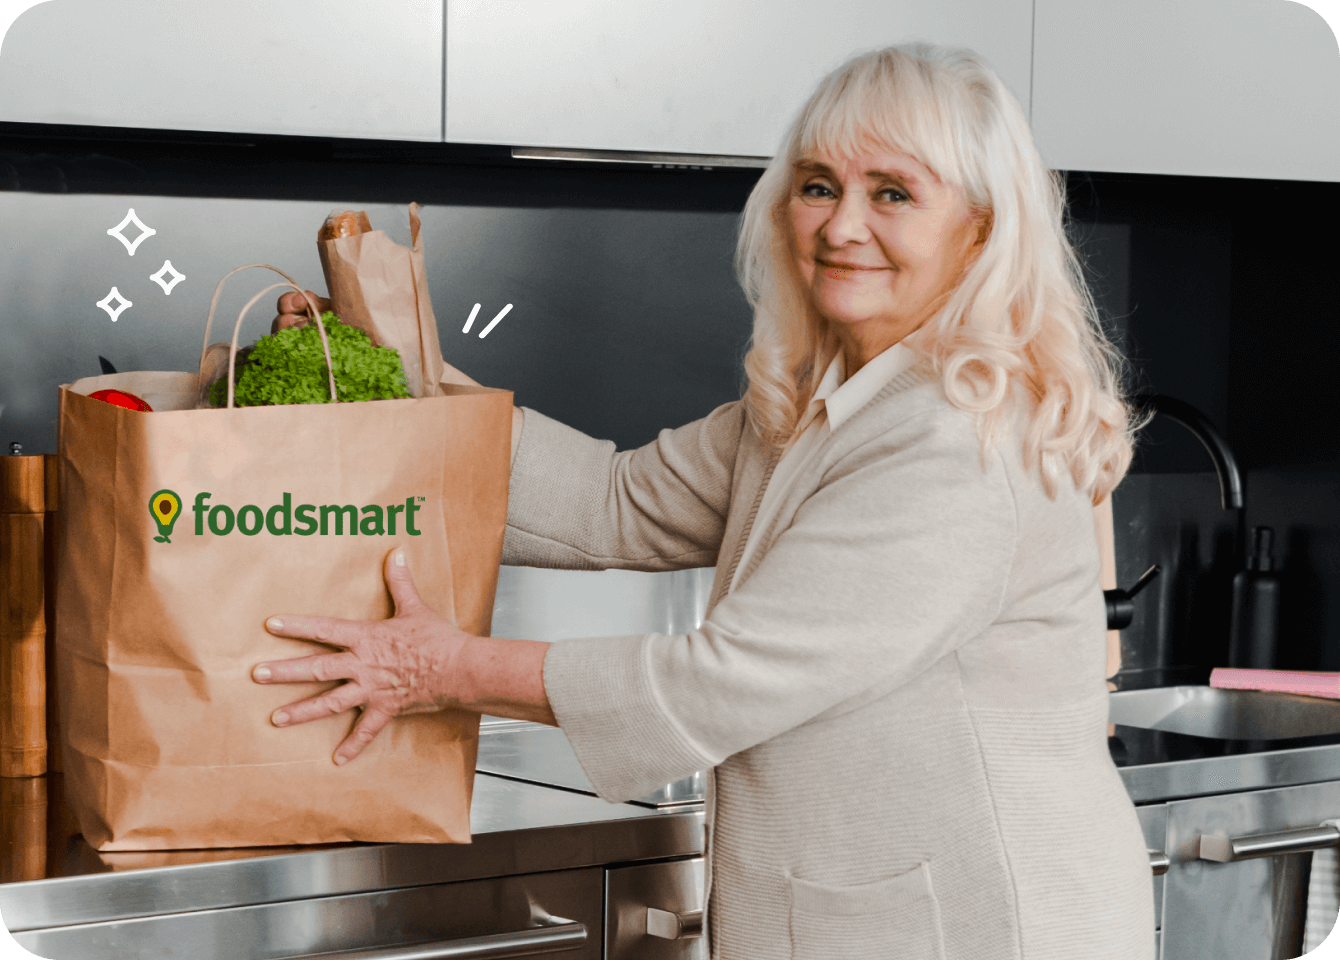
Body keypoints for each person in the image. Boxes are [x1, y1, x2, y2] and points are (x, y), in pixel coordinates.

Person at [258, 42, 1154, 960]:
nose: (841, 225)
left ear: (981, 228)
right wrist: (396, 381)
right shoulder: (834, 396)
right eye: (817, 185)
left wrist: (443, 669)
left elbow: (720, 678)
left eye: (892, 192)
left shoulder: (957, 437)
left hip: (982, 923)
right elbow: (613, 501)